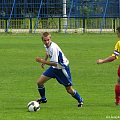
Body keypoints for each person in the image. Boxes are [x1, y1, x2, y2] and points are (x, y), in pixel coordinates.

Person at [35, 32, 83, 107]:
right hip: (54, 69)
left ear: (50, 39)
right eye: (45, 40)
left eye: (48, 40)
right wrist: (44, 60)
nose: (46, 42)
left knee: (69, 89)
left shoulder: (53, 48)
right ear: (42, 40)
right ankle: (43, 98)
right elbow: (47, 53)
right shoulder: (46, 45)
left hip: (62, 69)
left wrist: (42, 61)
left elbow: (55, 63)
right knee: (39, 82)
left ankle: (80, 100)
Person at [96, 26, 120, 105]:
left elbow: (114, 57)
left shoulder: (119, 43)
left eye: (117, 33)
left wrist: (102, 61)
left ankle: (117, 101)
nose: (116, 35)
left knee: (119, 83)